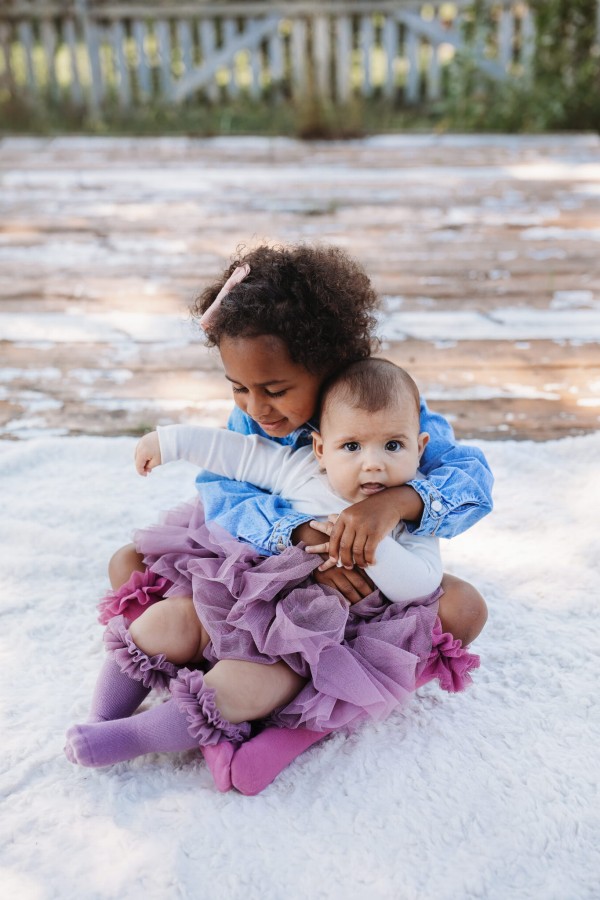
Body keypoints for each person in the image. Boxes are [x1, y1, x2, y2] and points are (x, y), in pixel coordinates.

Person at [66, 244, 493, 792]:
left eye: (275, 390)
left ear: (329, 366)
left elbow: (470, 480)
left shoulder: (389, 408)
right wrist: (296, 534)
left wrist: (394, 503)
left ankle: (291, 714)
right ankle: (197, 664)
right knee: (130, 565)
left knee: (462, 609)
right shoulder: (256, 429)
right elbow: (225, 485)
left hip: (359, 588)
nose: (255, 407)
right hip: (258, 559)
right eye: (239, 388)